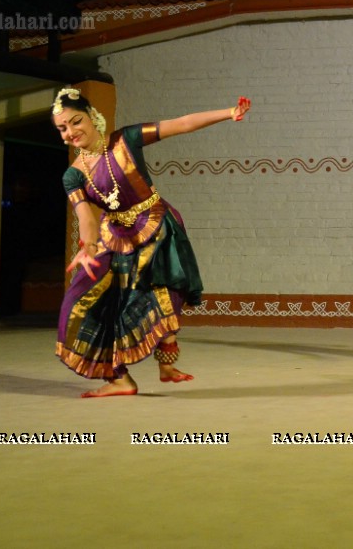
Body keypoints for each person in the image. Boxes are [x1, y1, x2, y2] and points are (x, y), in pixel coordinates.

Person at [52, 87, 251, 398]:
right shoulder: (72, 176)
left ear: (92, 117)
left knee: (161, 293)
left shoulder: (125, 140)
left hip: (155, 225)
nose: (70, 132)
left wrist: (228, 113)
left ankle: (166, 364)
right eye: (62, 128)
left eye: (75, 122)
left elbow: (182, 123)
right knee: (85, 302)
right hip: (113, 236)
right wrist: (88, 246)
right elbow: (86, 217)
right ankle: (119, 378)